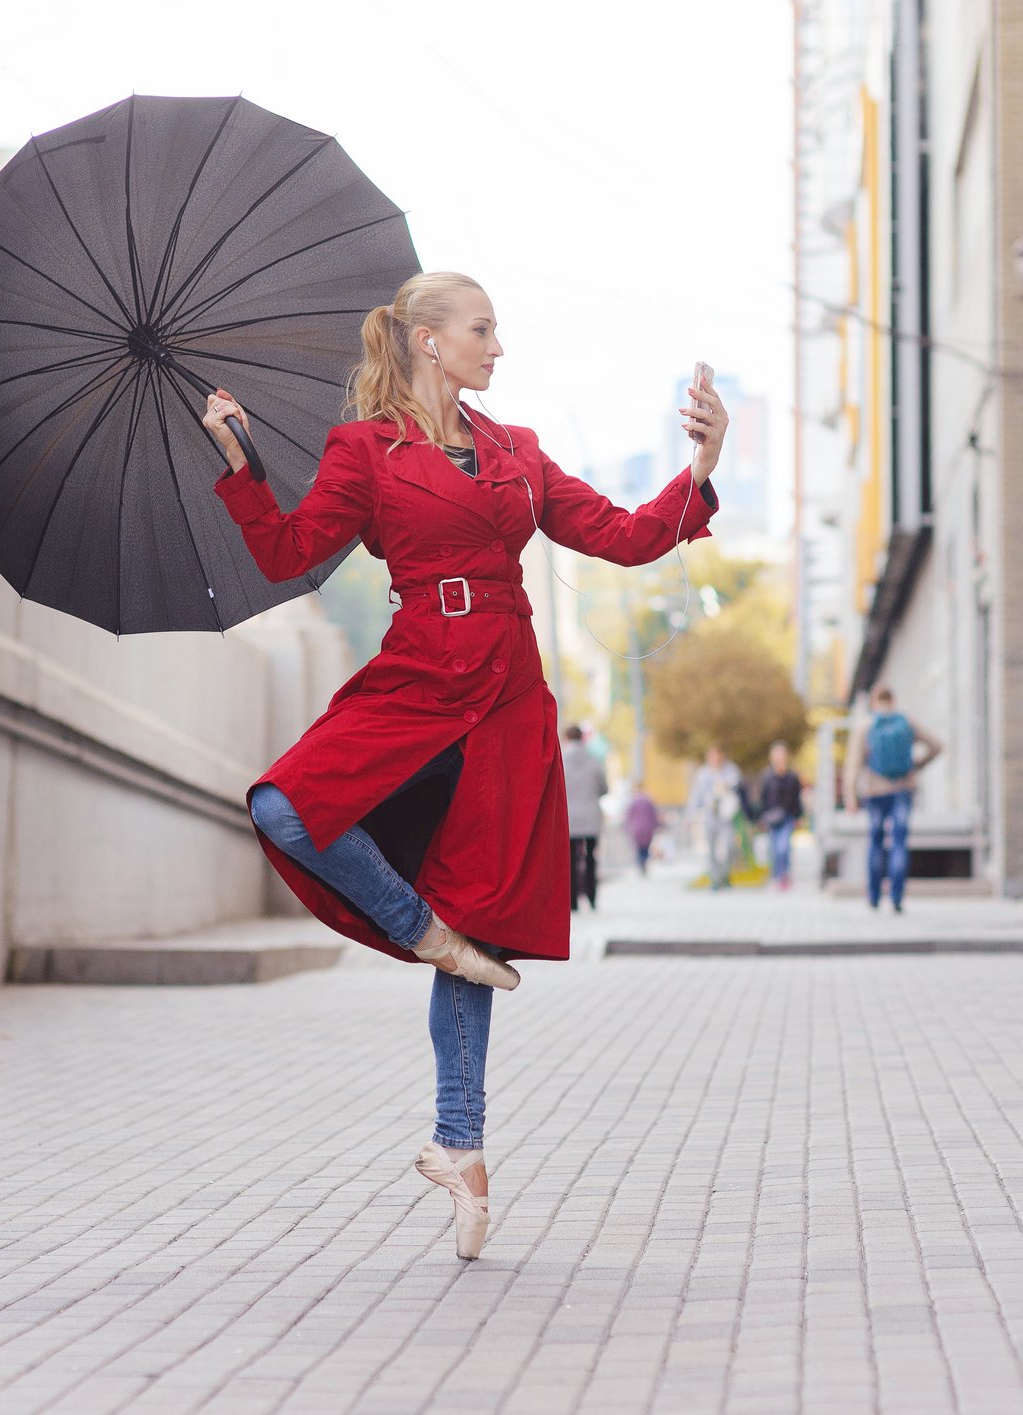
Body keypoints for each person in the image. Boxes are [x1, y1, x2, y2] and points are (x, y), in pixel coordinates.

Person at [201, 272, 727, 1260]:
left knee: (478, 914)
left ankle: (461, 1146)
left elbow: (623, 535)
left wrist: (702, 463)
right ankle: (423, 931)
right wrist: (240, 462)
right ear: (429, 342)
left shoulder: (515, 452)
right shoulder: (363, 449)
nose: (498, 347)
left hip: (504, 697)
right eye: (483, 330)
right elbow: (285, 551)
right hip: (415, 676)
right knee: (286, 805)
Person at [847, 685, 943, 913]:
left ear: (873, 702)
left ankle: (873, 897)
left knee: (876, 842)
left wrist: (850, 795)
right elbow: (937, 745)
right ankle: (897, 897)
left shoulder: (866, 725)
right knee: (899, 843)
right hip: (902, 789)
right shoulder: (906, 722)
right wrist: (916, 767)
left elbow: (853, 765)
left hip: (874, 791)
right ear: (894, 700)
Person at [560, 724, 607, 911]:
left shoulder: (561, 758)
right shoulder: (594, 760)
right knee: (590, 859)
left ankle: (572, 902)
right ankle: (592, 898)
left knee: (569, 861)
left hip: (569, 818)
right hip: (590, 818)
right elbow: (604, 788)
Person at [686, 744, 745, 890]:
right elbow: (696, 796)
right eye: (712, 756)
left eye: (718, 755)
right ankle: (715, 878)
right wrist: (690, 815)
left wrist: (725, 784)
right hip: (710, 815)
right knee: (711, 848)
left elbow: (737, 786)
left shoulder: (731, 770)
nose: (715, 759)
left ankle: (725, 875)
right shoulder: (703, 774)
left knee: (730, 846)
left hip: (726, 816)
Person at [753, 740, 805, 891]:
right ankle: (777, 875)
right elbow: (762, 799)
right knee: (774, 848)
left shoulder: (792, 776)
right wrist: (761, 818)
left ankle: (784, 875)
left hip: (787, 816)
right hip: (771, 818)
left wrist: (798, 817)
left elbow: (796, 798)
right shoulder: (767, 776)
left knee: (784, 848)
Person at [624, 781, 660, 874]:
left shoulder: (633, 801)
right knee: (645, 847)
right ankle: (644, 861)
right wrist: (656, 825)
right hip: (648, 828)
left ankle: (641, 862)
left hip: (636, 828)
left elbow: (628, 816)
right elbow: (654, 815)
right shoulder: (648, 800)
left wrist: (627, 828)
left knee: (639, 847)